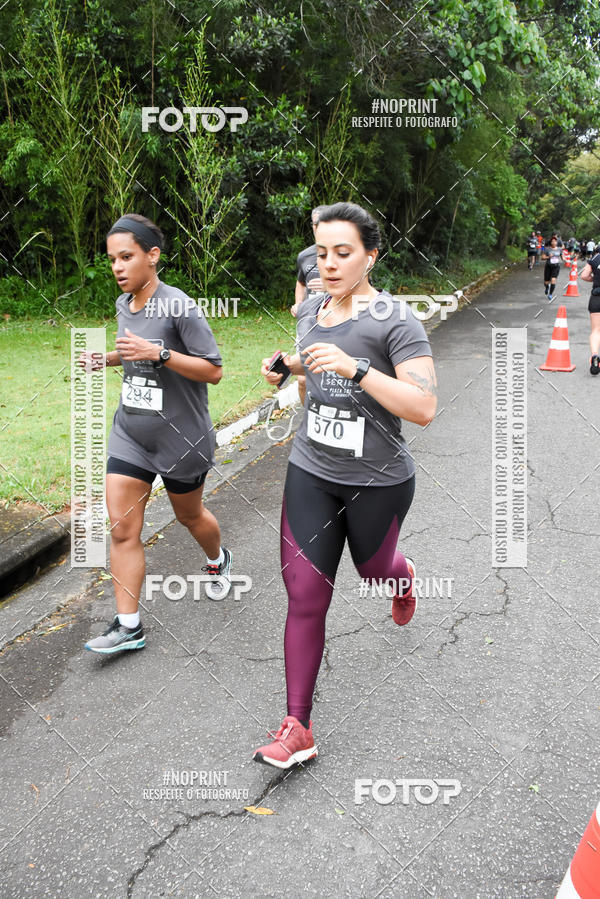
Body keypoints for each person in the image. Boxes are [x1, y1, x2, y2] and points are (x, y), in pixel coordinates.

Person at [254, 202, 437, 768]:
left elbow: (424, 406)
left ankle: (402, 579)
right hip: (311, 470)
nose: (329, 264)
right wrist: (289, 366)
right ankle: (297, 726)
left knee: (374, 571)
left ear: (370, 256)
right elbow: (316, 368)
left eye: (344, 253)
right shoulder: (311, 309)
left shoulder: (395, 320)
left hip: (377, 480)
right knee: (305, 598)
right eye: (323, 252)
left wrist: (357, 367)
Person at [80, 213, 231, 654]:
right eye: (112, 260)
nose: (118, 267)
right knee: (123, 530)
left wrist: (160, 352)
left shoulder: (180, 306)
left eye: (126, 257)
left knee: (190, 517)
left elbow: (214, 371)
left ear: (152, 255)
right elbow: (134, 356)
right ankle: (129, 627)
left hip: (181, 439)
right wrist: (107, 358)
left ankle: (218, 560)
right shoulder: (124, 306)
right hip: (131, 434)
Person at [291, 206, 328, 318]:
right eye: (314, 224)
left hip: (336, 318)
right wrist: (298, 304)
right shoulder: (304, 255)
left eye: (321, 224)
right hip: (309, 317)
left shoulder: (345, 254)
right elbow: (301, 283)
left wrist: (330, 287)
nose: (317, 228)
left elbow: (358, 287)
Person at [579, 244, 600, 375]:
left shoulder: (595, 258)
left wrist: (595, 280)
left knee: (596, 330)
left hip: (597, 297)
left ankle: (594, 355)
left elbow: (584, 275)